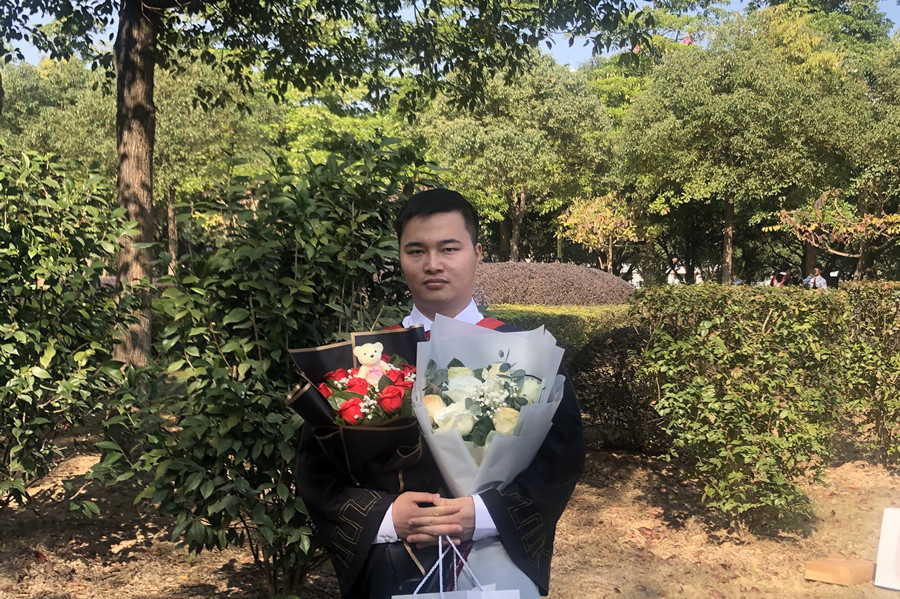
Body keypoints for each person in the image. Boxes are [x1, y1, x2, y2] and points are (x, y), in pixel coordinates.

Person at [295, 189, 585, 598]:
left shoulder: (524, 354)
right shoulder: (361, 363)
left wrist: (484, 514)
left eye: (449, 248)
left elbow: (560, 460)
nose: (433, 264)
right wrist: (386, 517)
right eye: (416, 251)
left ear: (477, 253)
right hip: (391, 564)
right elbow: (317, 470)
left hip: (495, 559)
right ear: (400, 257)